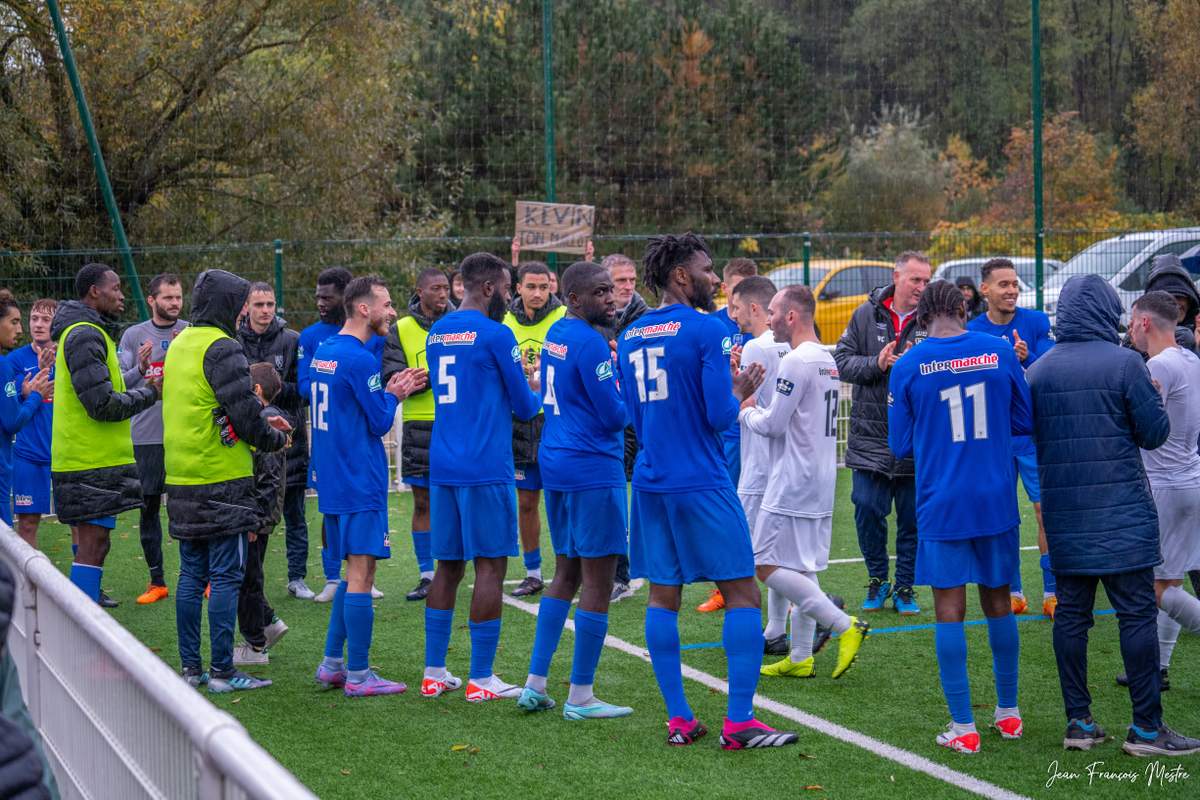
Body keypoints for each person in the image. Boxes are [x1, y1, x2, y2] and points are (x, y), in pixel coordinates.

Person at [618, 232, 799, 750]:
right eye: (707, 269)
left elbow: (632, 415)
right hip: (700, 478)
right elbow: (721, 415)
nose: (716, 279)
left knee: (662, 595)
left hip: (650, 479)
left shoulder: (630, 334)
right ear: (681, 276)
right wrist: (741, 389)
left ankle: (679, 719)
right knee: (743, 591)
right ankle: (739, 722)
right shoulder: (705, 330)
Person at [1027, 274, 1200, 757]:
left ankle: (1078, 722)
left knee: (1072, 619)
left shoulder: (1039, 370)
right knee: (1136, 617)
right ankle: (1147, 730)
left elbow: (1027, 430)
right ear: (1107, 310)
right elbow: (1154, 434)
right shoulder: (1127, 364)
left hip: (1065, 516)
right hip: (1123, 514)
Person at [888, 280, 1030, 754]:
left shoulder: (908, 364)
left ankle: (963, 726)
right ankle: (1009, 715)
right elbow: (1022, 419)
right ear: (963, 309)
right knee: (998, 602)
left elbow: (900, 446)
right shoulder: (999, 351)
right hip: (994, 498)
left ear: (924, 316)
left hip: (942, 501)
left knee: (950, 612)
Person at [421, 252, 542, 702]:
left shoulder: (437, 331)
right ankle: (481, 677)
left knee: (447, 568)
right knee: (491, 565)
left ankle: (434, 672)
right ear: (490, 288)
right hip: (486, 466)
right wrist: (535, 383)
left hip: (444, 464)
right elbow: (526, 407)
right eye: (508, 286)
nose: (510, 294)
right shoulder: (497, 334)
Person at [163, 269, 290, 693]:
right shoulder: (224, 349)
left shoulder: (179, 343)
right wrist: (276, 438)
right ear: (227, 306)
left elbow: (205, 407)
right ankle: (221, 671)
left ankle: (189, 669)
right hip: (222, 480)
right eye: (239, 304)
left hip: (180, 478)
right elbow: (245, 415)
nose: (241, 314)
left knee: (189, 576)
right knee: (226, 577)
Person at [516, 260, 633, 720]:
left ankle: (534, 684)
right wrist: (624, 381)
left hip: (558, 460)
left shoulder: (560, 334)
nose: (612, 298)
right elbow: (614, 417)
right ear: (577, 299)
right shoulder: (589, 344)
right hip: (591, 466)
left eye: (613, 290)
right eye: (602, 292)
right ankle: (581, 696)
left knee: (565, 573)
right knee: (599, 581)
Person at [743, 286, 870, 682]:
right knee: (800, 566)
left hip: (793, 477)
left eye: (775, 313)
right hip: (819, 474)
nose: (770, 319)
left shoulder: (797, 361)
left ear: (792, 316)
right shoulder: (825, 360)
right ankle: (800, 656)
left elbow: (773, 425)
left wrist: (743, 409)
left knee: (762, 563)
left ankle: (842, 624)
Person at [312, 277, 426, 697]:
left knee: (350, 573)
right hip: (359, 478)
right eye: (388, 304)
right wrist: (396, 392)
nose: (393, 312)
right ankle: (359, 675)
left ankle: (332, 664)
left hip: (334, 477)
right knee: (362, 572)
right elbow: (379, 422)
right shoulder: (360, 360)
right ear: (364, 309)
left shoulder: (325, 352)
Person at [51, 264, 160, 604]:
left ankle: (83, 611)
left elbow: (103, 387)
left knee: (93, 541)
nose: (122, 294)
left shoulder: (87, 331)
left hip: (88, 460)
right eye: (116, 287)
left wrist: (139, 375)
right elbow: (102, 405)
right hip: (89, 462)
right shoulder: (84, 334)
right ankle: (80, 625)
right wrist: (152, 393)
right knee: (93, 544)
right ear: (95, 291)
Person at [834, 251, 931, 615]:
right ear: (897, 276)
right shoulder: (865, 314)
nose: (921, 287)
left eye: (926, 280)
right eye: (915, 280)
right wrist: (877, 363)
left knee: (912, 520)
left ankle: (905, 586)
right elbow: (841, 363)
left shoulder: (933, 318)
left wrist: (914, 368)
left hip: (915, 438)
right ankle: (878, 578)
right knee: (867, 507)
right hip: (871, 437)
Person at [967, 258, 1057, 618]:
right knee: (1004, 514)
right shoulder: (973, 331)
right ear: (985, 289)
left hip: (1033, 434)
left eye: (1015, 284)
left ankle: (1052, 592)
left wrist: (1027, 357)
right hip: (994, 438)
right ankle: (1014, 591)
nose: (1012, 290)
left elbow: (1051, 367)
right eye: (1003, 284)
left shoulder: (1035, 322)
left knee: (1043, 511)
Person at [1121, 291, 1200, 690]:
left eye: (1133, 321)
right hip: (1190, 481)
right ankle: (1160, 666)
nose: (1130, 329)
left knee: (1152, 587)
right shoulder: (1190, 359)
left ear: (1146, 323)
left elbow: (1146, 425)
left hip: (1165, 487)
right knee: (1171, 582)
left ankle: (1158, 664)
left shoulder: (1160, 366)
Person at [298, 268, 383, 602]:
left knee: (339, 509)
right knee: (331, 510)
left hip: (347, 437)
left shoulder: (367, 340)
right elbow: (305, 386)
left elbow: (374, 377)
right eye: (318, 296)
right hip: (343, 447)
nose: (321, 302)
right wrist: (388, 395)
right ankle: (335, 575)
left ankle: (354, 577)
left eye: (326, 296)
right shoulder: (314, 339)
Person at [726, 276, 791, 655]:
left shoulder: (755, 346)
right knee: (776, 551)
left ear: (755, 308)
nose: (731, 314)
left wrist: (729, 382)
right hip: (787, 463)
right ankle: (777, 630)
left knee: (746, 554)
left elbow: (740, 405)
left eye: (735, 307)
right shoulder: (793, 348)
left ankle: (813, 607)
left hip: (758, 465)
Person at [236, 283, 312, 600]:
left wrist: (272, 390)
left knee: (295, 514)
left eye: (270, 304)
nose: (265, 310)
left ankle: (297, 578)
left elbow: (305, 391)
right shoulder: (233, 341)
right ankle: (246, 577)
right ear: (247, 308)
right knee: (248, 517)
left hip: (288, 442)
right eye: (259, 305)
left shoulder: (292, 340)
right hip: (245, 445)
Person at [382, 268, 453, 601]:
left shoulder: (460, 323)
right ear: (419, 291)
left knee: (453, 501)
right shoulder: (401, 329)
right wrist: (418, 379)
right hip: (418, 425)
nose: (443, 293)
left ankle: (451, 569)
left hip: (456, 423)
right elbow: (393, 375)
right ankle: (426, 574)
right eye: (436, 288)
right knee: (422, 501)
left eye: (446, 288)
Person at [118, 273, 188, 606]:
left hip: (182, 436)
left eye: (178, 297)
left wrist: (177, 356)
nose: (175, 303)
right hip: (145, 439)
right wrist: (143, 369)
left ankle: (197, 578)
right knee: (148, 510)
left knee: (188, 510)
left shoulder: (189, 333)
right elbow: (120, 386)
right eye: (168, 297)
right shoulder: (133, 336)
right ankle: (157, 581)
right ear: (152, 300)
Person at [695, 256, 759, 614]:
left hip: (764, 433)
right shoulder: (715, 326)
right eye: (735, 291)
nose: (741, 302)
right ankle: (723, 588)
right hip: (730, 434)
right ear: (725, 288)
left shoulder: (770, 323)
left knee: (763, 513)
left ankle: (785, 590)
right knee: (726, 512)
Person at [502, 260, 566, 598]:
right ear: (518, 288)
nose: (538, 293)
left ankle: (567, 570)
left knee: (560, 499)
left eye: (544, 286)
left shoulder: (564, 317)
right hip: (519, 422)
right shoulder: (505, 322)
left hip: (556, 420)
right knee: (526, 501)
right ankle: (533, 572)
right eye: (531, 286)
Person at [233, 362, 292, 667]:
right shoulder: (267, 419)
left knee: (248, 577)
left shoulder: (265, 421)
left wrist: (255, 519)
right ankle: (268, 623)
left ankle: (256, 645)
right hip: (260, 512)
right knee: (247, 573)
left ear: (256, 390)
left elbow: (268, 476)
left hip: (257, 514)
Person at [601, 252, 648, 603]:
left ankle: (645, 567)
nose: (628, 287)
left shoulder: (645, 318)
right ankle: (618, 573)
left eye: (632, 280)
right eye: (621, 281)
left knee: (643, 496)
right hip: (608, 417)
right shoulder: (593, 315)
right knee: (613, 497)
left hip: (643, 416)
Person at [6, 298, 55, 546]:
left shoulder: (69, 357)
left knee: (79, 523)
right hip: (28, 455)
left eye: (45, 319)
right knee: (26, 524)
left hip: (64, 456)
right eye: (34, 318)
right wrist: (27, 390)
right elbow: (9, 404)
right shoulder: (14, 360)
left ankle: (83, 586)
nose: (38, 324)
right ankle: (26, 586)